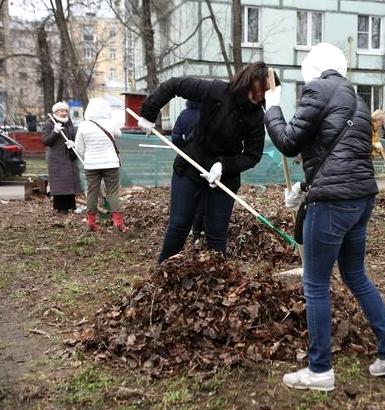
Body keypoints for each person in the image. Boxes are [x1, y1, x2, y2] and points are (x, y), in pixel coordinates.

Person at [264, 43, 385, 392]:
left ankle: (320, 370)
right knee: (356, 275)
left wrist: (272, 107)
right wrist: (302, 185)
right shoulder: (356, 100)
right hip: (360, 200)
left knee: (315, 283)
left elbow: (288, 142)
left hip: (331, 205)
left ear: (312, 69)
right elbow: (341, 157)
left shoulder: (319, 90)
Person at [137, 62, 271, 264]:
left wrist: (223, 166)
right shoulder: (215, 90)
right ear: (248, 81)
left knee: (217, 234)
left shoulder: (256, 117)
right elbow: (174, 85)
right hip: (192, 163)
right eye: (259, 90)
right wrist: (149, 113)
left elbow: (253, 155)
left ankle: (217, 282)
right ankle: (163, 271)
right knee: (180, 223)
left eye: (266, 92)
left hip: (224, 177)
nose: (261, 96)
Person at [74, 97, 126, 232]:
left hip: (91, 164)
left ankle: (91, 222)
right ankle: (118, 222)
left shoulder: (84, 125)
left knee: (92, 192)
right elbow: (119, 134)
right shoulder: (111, 123)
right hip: (111, 163)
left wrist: (88, 158)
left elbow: (79, 148)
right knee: (112, 192)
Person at [170, 100, 205, 239]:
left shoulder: (184, 115)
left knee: (186, 196)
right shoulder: (210, 114)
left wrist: (185, 148)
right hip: (206, 162)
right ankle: (199, 229)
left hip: (187, 162)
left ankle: (183, 227)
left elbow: (175, 137)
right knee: (203, 196)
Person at [41, 101, 82, 213]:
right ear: (56, 112)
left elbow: (73, 136)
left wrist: (73, 143)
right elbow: (46, 141)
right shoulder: (49, 123)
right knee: (60, 183)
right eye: (61, 111)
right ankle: (60, 207)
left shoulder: (69, 123)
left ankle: (71, 206)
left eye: (66, 111)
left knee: (70, 183)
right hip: (56, 159)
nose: (64, 113)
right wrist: (55, 131)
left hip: (69, 158)